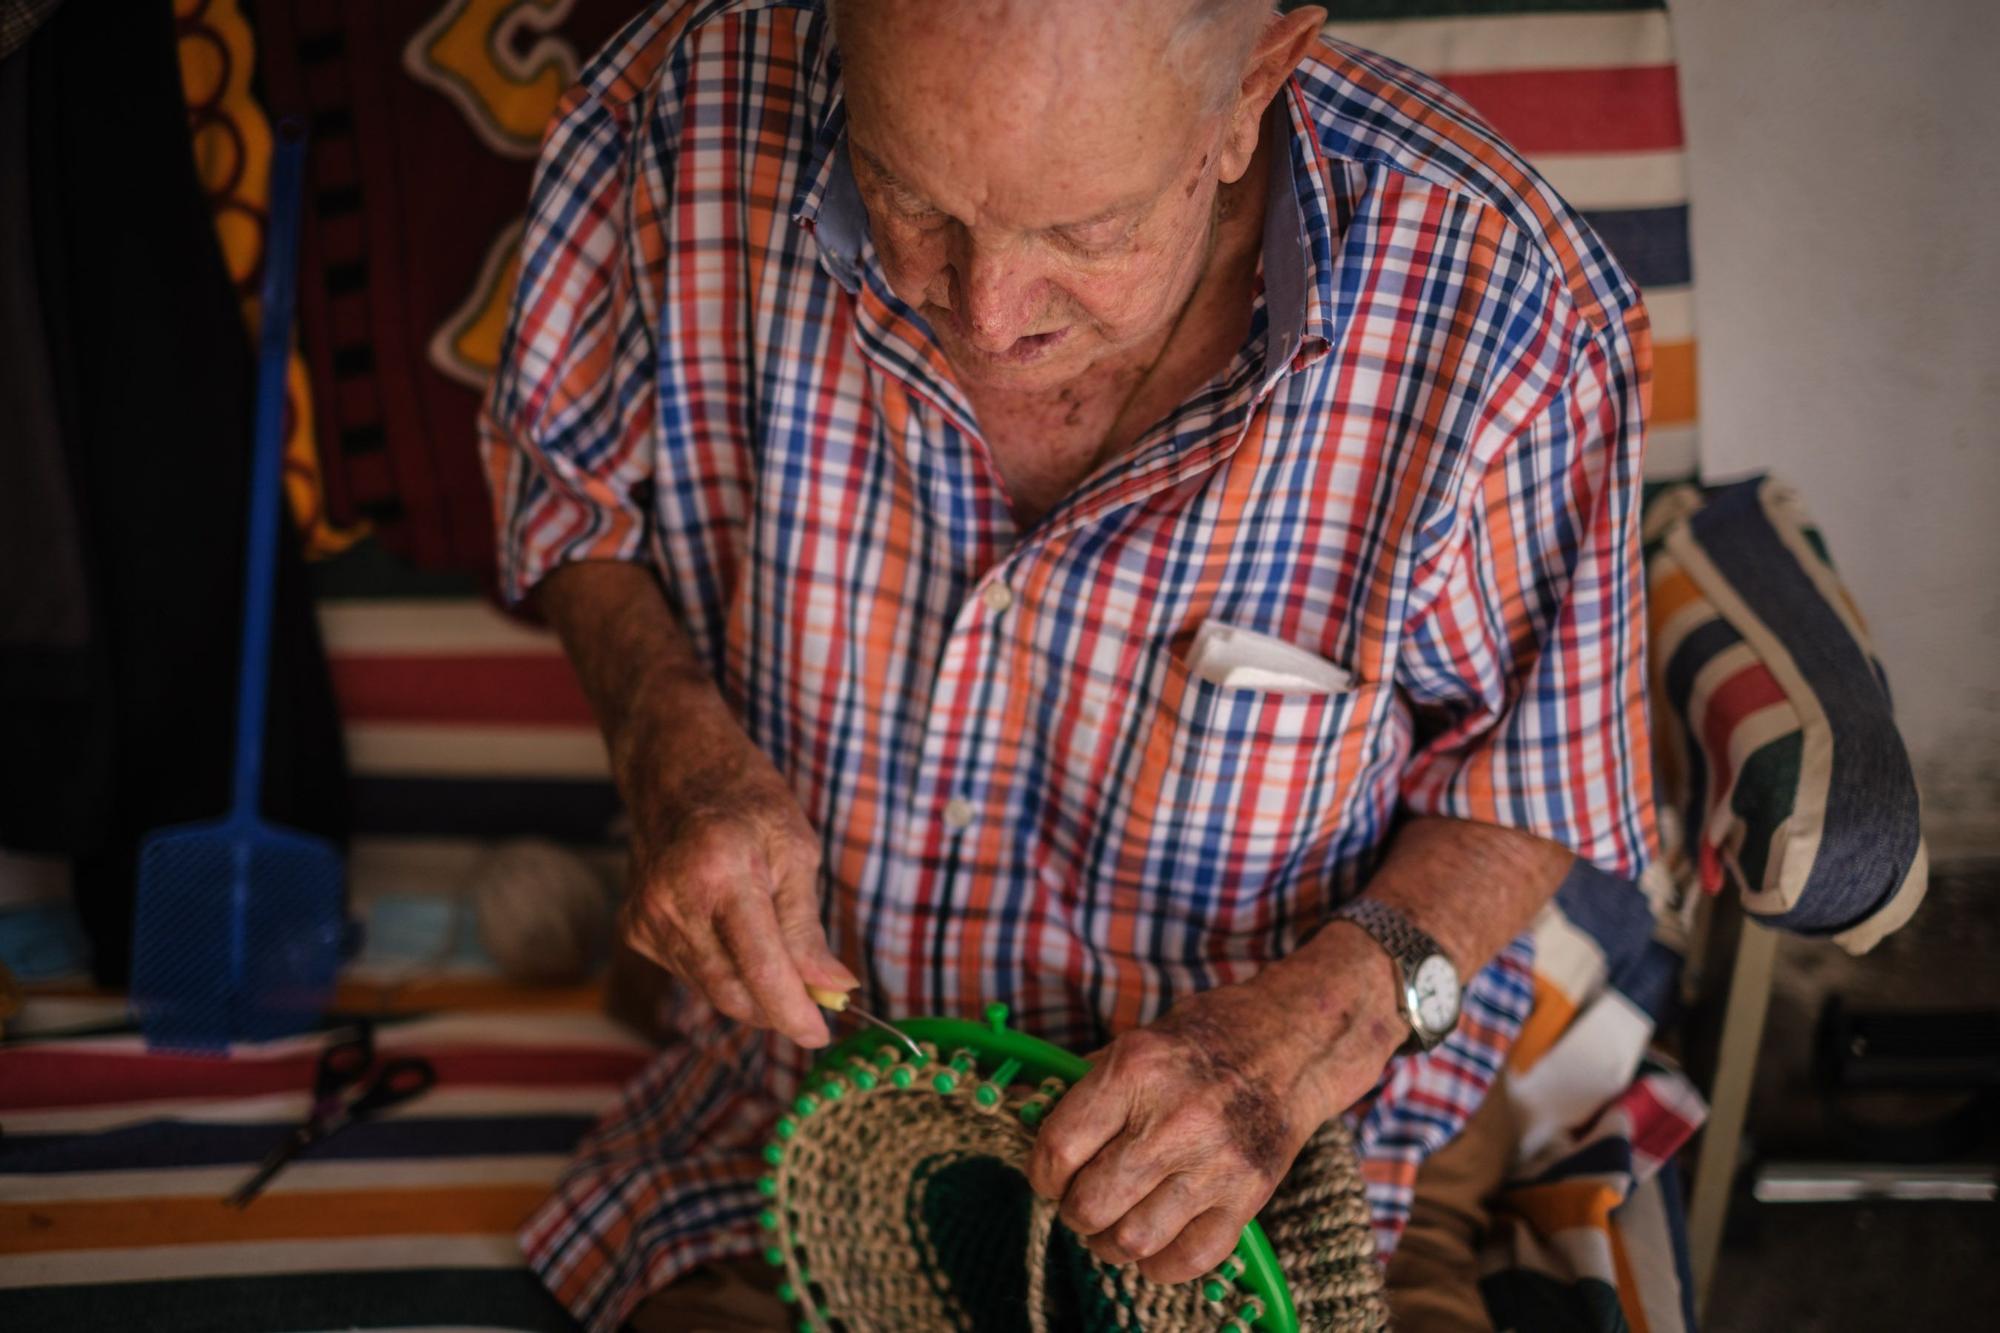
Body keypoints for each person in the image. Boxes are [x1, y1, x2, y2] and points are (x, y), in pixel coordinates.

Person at [481, 0, 1655, 1327]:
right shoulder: (674, 116)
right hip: (809, 1102)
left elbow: (1529, 786)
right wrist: (666, 739)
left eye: (1085, 234)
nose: (983, 315)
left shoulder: (1502, 307)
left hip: (1301, 1147)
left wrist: (1306, 1036)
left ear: (1258, 77)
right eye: (906, 198)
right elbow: (566, 488)